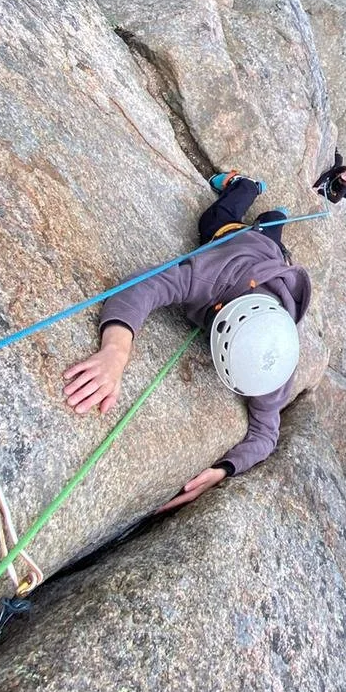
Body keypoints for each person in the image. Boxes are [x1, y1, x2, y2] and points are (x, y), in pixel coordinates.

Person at [62, 172, 311, 511]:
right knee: (214, 220)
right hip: (239, 244)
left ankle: (275, 219)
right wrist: (115, 351)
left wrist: (224, 469)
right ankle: (248, 186)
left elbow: (266, 435)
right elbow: (145, 286)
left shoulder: (276, 358)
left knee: (271, 231)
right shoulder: (211, 278)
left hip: (272, 261)